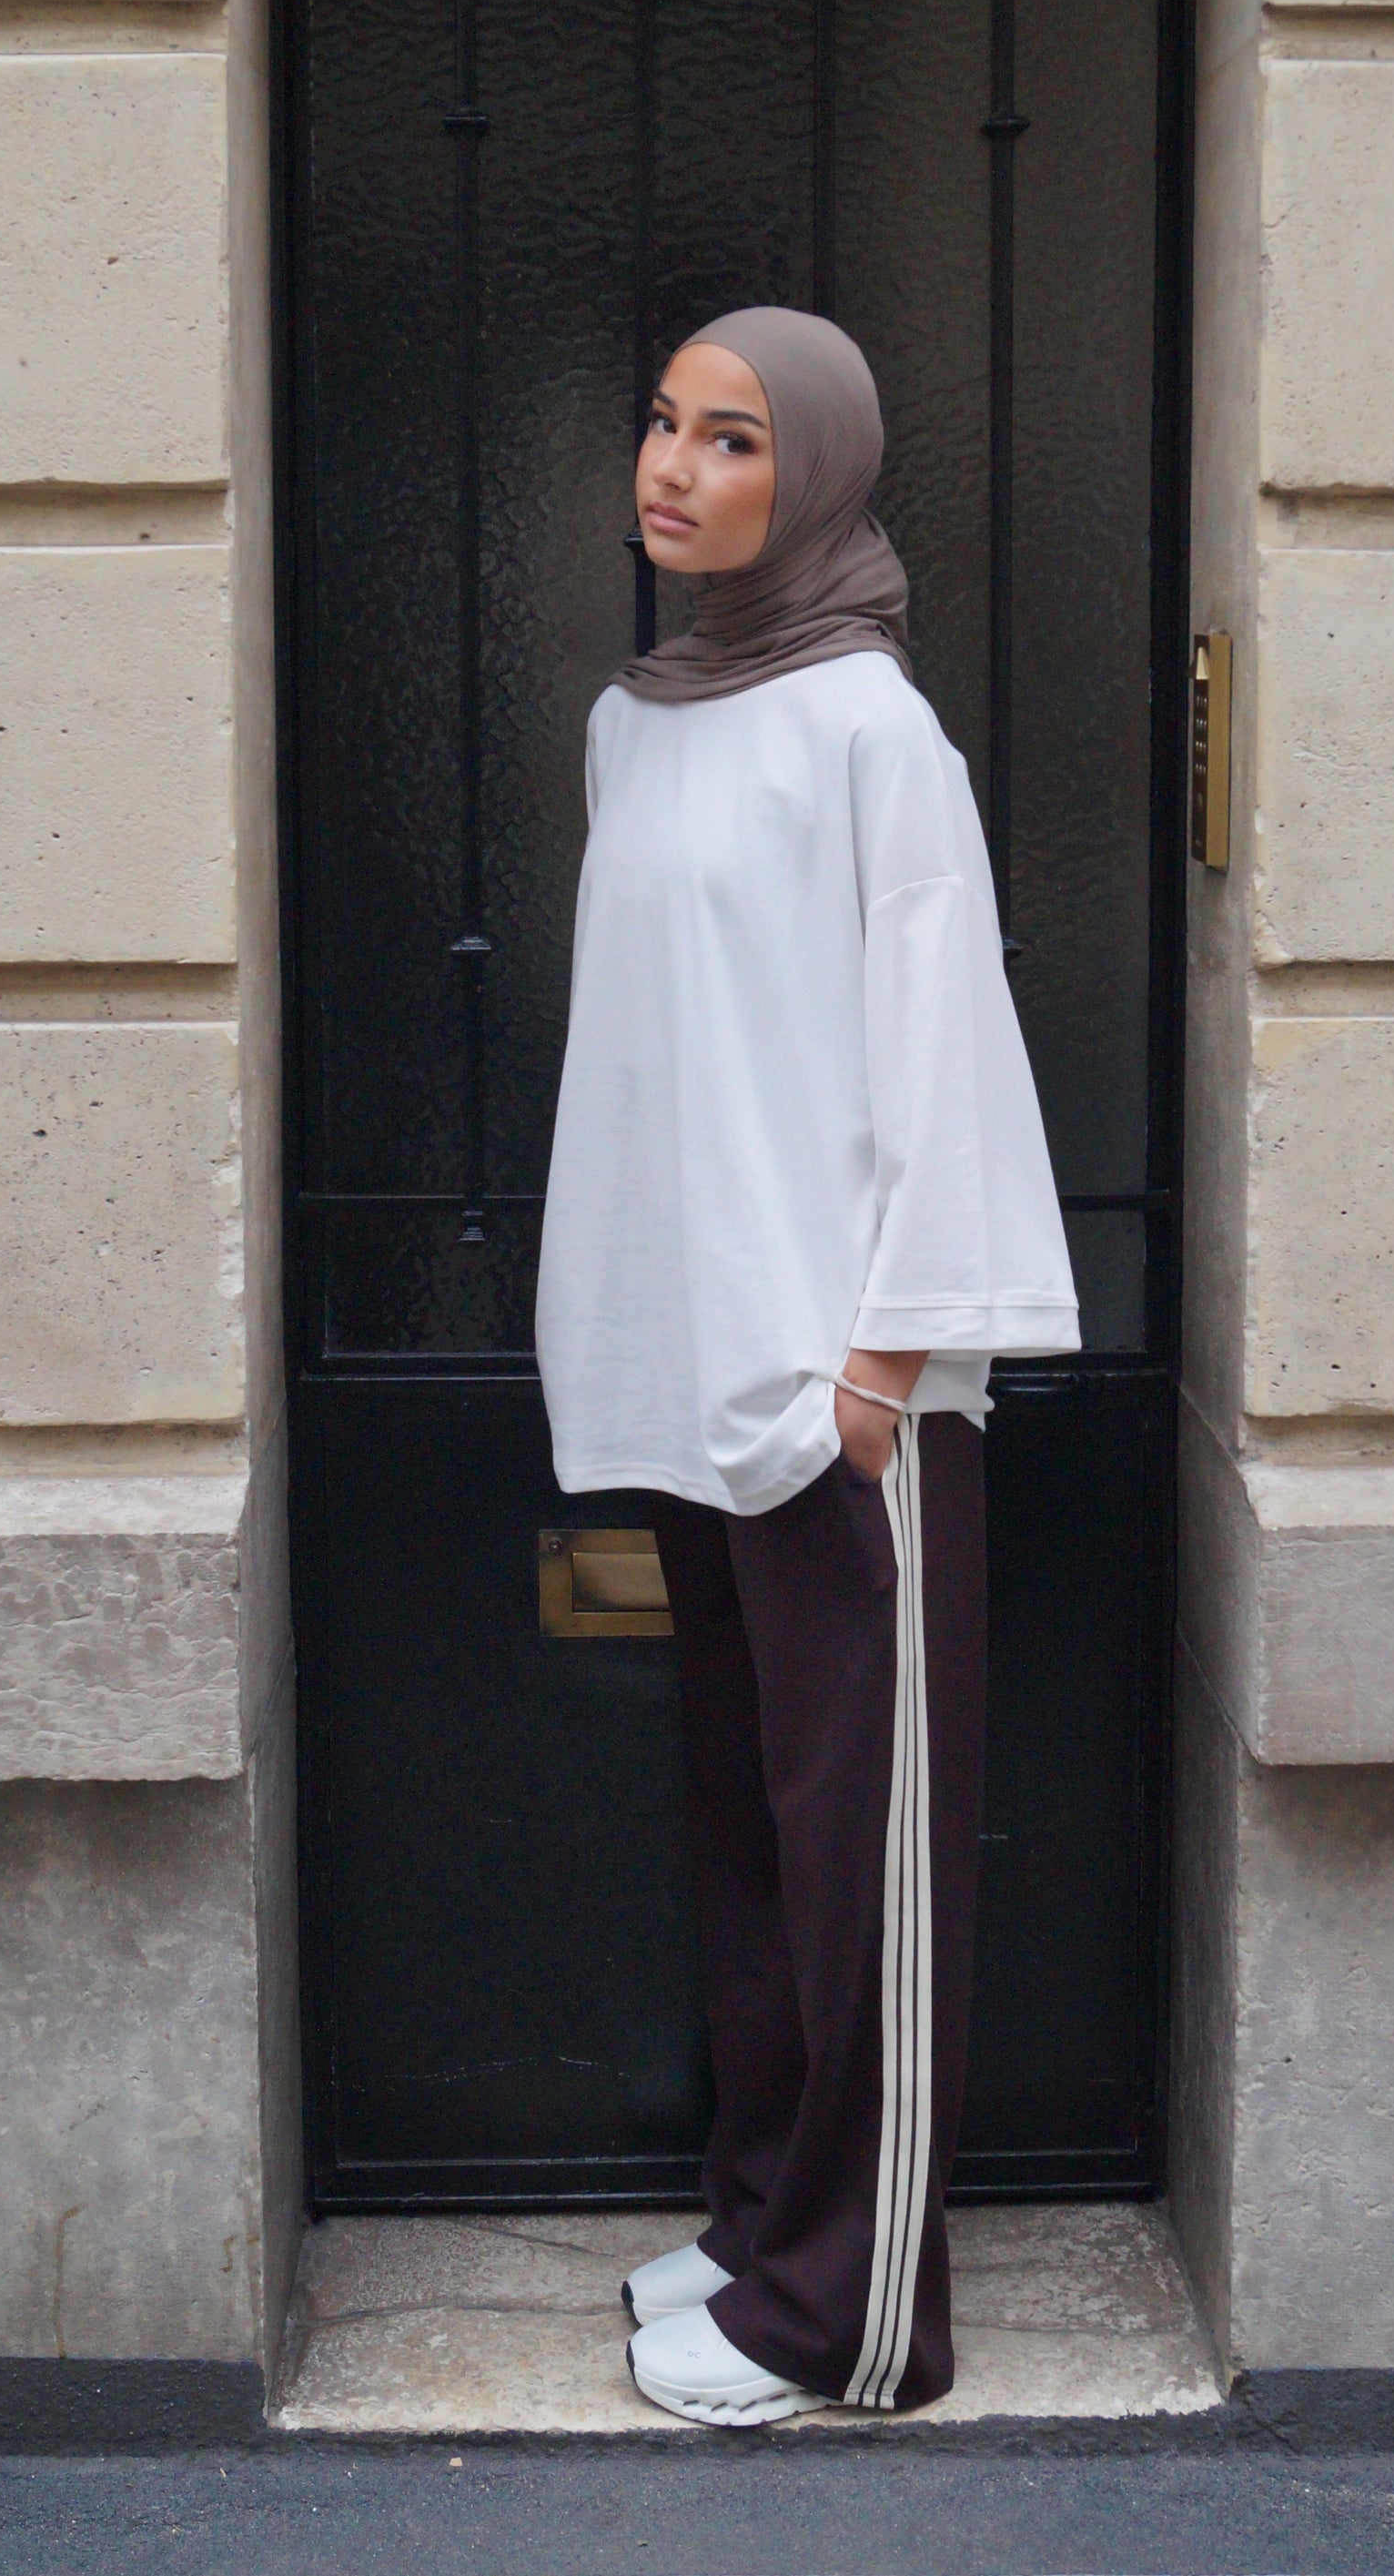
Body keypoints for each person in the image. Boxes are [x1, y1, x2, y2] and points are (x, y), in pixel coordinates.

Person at [536, 307, 1078, 2425]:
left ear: (820, 473)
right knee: (755, 1834)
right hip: (707, 1378)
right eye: (662, 421)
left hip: (847, 1394)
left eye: (733, 436)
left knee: (867, 1862)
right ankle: (767, 2223)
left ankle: (854, 2319)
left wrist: (881, 1358)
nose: (673, 464)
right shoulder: (638, 719)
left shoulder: (872, 727)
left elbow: (942, 1046)